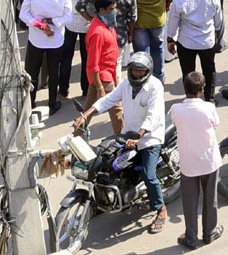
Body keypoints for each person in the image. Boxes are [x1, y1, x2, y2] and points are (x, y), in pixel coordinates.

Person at [73, 52, 170, 234]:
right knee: (104, 160)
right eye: (133, 70)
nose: (136, 74)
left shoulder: (155, 86)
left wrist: (140, 136)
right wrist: (85, 115)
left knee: (149, 176)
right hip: (128, 134)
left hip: (149, 137)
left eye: (140, 71)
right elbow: (108, 100)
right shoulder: (126, 84)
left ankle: (160, 209)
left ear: (147, 72)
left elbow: (153, 116)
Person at [170, 70, 223, 247]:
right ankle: (210, 232)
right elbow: (216, 124)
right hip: (209, 161)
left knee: (190, 201)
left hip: (188, 163)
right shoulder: (208, 107)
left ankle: (190, 238)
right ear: (201, 89)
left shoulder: (176, 109)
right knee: (210, 199)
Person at [19, 0, 74, 112]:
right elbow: (68, 18)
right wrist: (51, 23)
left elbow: (24, 15)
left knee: (32, 72)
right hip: (55, 41)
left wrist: (41, 25)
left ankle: (31, 102)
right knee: (53, 72)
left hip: (36, 39)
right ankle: (52, 103)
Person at [166, 0, 224, 100]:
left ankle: (191, 99)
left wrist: (170, 39)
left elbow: (173, 22)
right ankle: (209, 99)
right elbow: (218, 20)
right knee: (209, 71)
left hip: (186, 43)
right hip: (207, 42)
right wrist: (215, 34)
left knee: (188, 73)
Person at [57, 0, 97, 102]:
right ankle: (86, 89)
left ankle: (64, 89)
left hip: (69, 23)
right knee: (87, 57)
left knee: (66, 57)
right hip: (88, 23)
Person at [81, 0, 123, 134]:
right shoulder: (98, 32)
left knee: (87, 112)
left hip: (107, 74)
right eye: (112, 9)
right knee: (117, 111)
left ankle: (74, 138)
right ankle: (123, 141)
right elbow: (92, 64)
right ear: (102, 10)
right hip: (103, 77)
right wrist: (100, 88)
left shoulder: (106, 24)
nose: (115, 11)